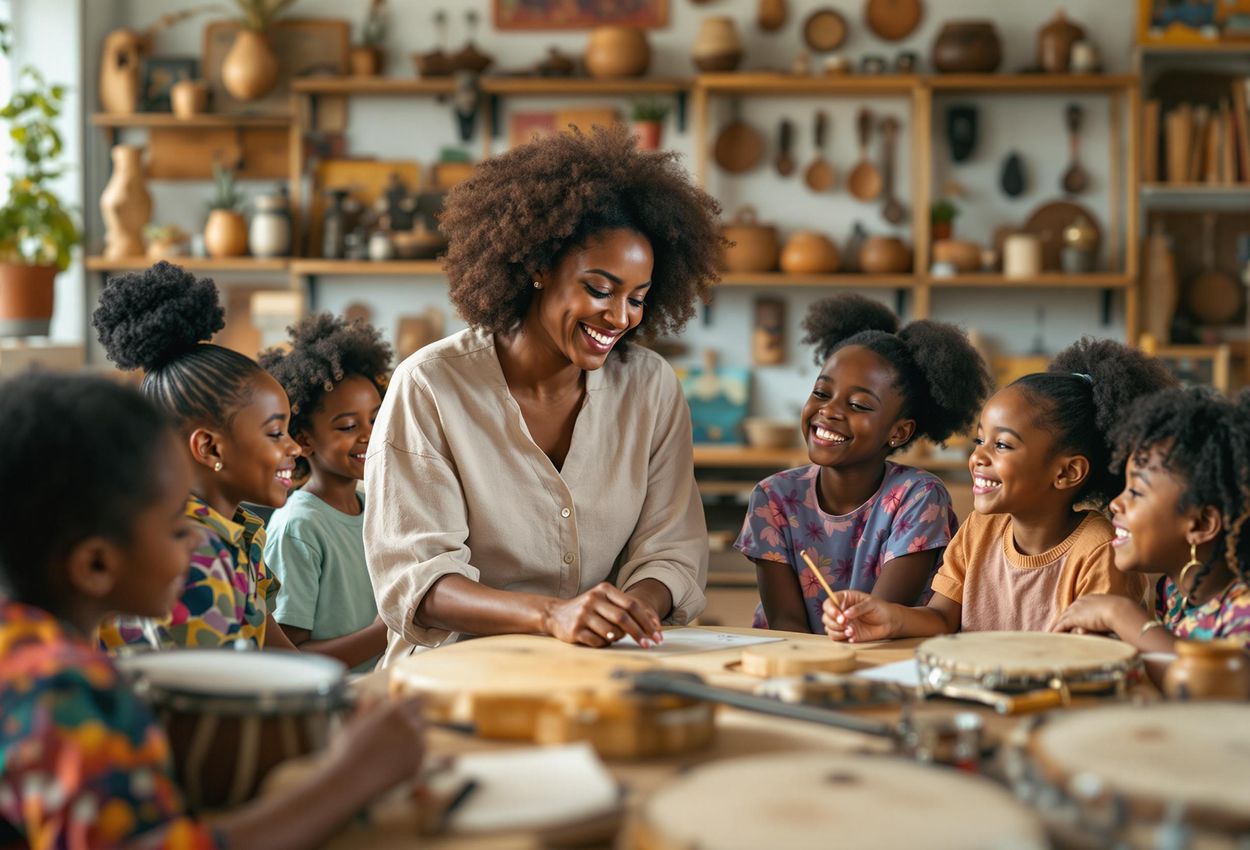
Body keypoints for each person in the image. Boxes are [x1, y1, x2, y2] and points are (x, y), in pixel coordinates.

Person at [0, 372, 425, 850]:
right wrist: (355, 777)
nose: (194, 539)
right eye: (175, 524)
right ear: (96, 564)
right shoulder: (62, 686)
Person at [365, 126, 723, 664]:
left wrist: (622, 613)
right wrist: (551, 616)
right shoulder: (431, 386)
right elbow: (419, 581)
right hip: (458, 674)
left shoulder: (650, 388)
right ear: (537, 266)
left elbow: (671, 550)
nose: (620, 317)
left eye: (638, 298)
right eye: (599, 290)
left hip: (600, 664)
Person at [825, 338, 1174, 642]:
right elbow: (942, 619)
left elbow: (1091, 659)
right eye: (980, 440)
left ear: (1067, 472)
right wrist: (891, 618)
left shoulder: (1098, 550)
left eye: (1003, 445)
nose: (978, 456)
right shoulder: (980, 529)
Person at [735, 294, 991, 633]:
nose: (829, 411)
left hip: (884, 659)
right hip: (794, 661)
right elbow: (787, 626)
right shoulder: (773, 497)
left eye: (858, 405)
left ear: (899, 432)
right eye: (822, 394)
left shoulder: (918, 497)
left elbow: (880, 619)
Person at [93, 261, 301, 651]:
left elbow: (278, 656)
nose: (295, 447)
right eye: (275, 433)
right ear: (210, 448)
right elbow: (214, 698)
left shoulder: (239, 531)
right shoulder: (193, 553)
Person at [1053, 387, 1250, 649]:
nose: (1116, 503)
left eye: (1136, 491)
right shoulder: (1172, 592)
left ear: (1201, 524)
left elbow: (1205, 683)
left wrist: (1121, 616)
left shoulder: (1242, 611)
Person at [260, 313, 392, 672]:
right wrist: (386, 631)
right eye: (348, 426)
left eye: (377, 419)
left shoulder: (373, 508)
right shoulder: (299, 528)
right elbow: (287, 659)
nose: (370, 435)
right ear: (303, 440)